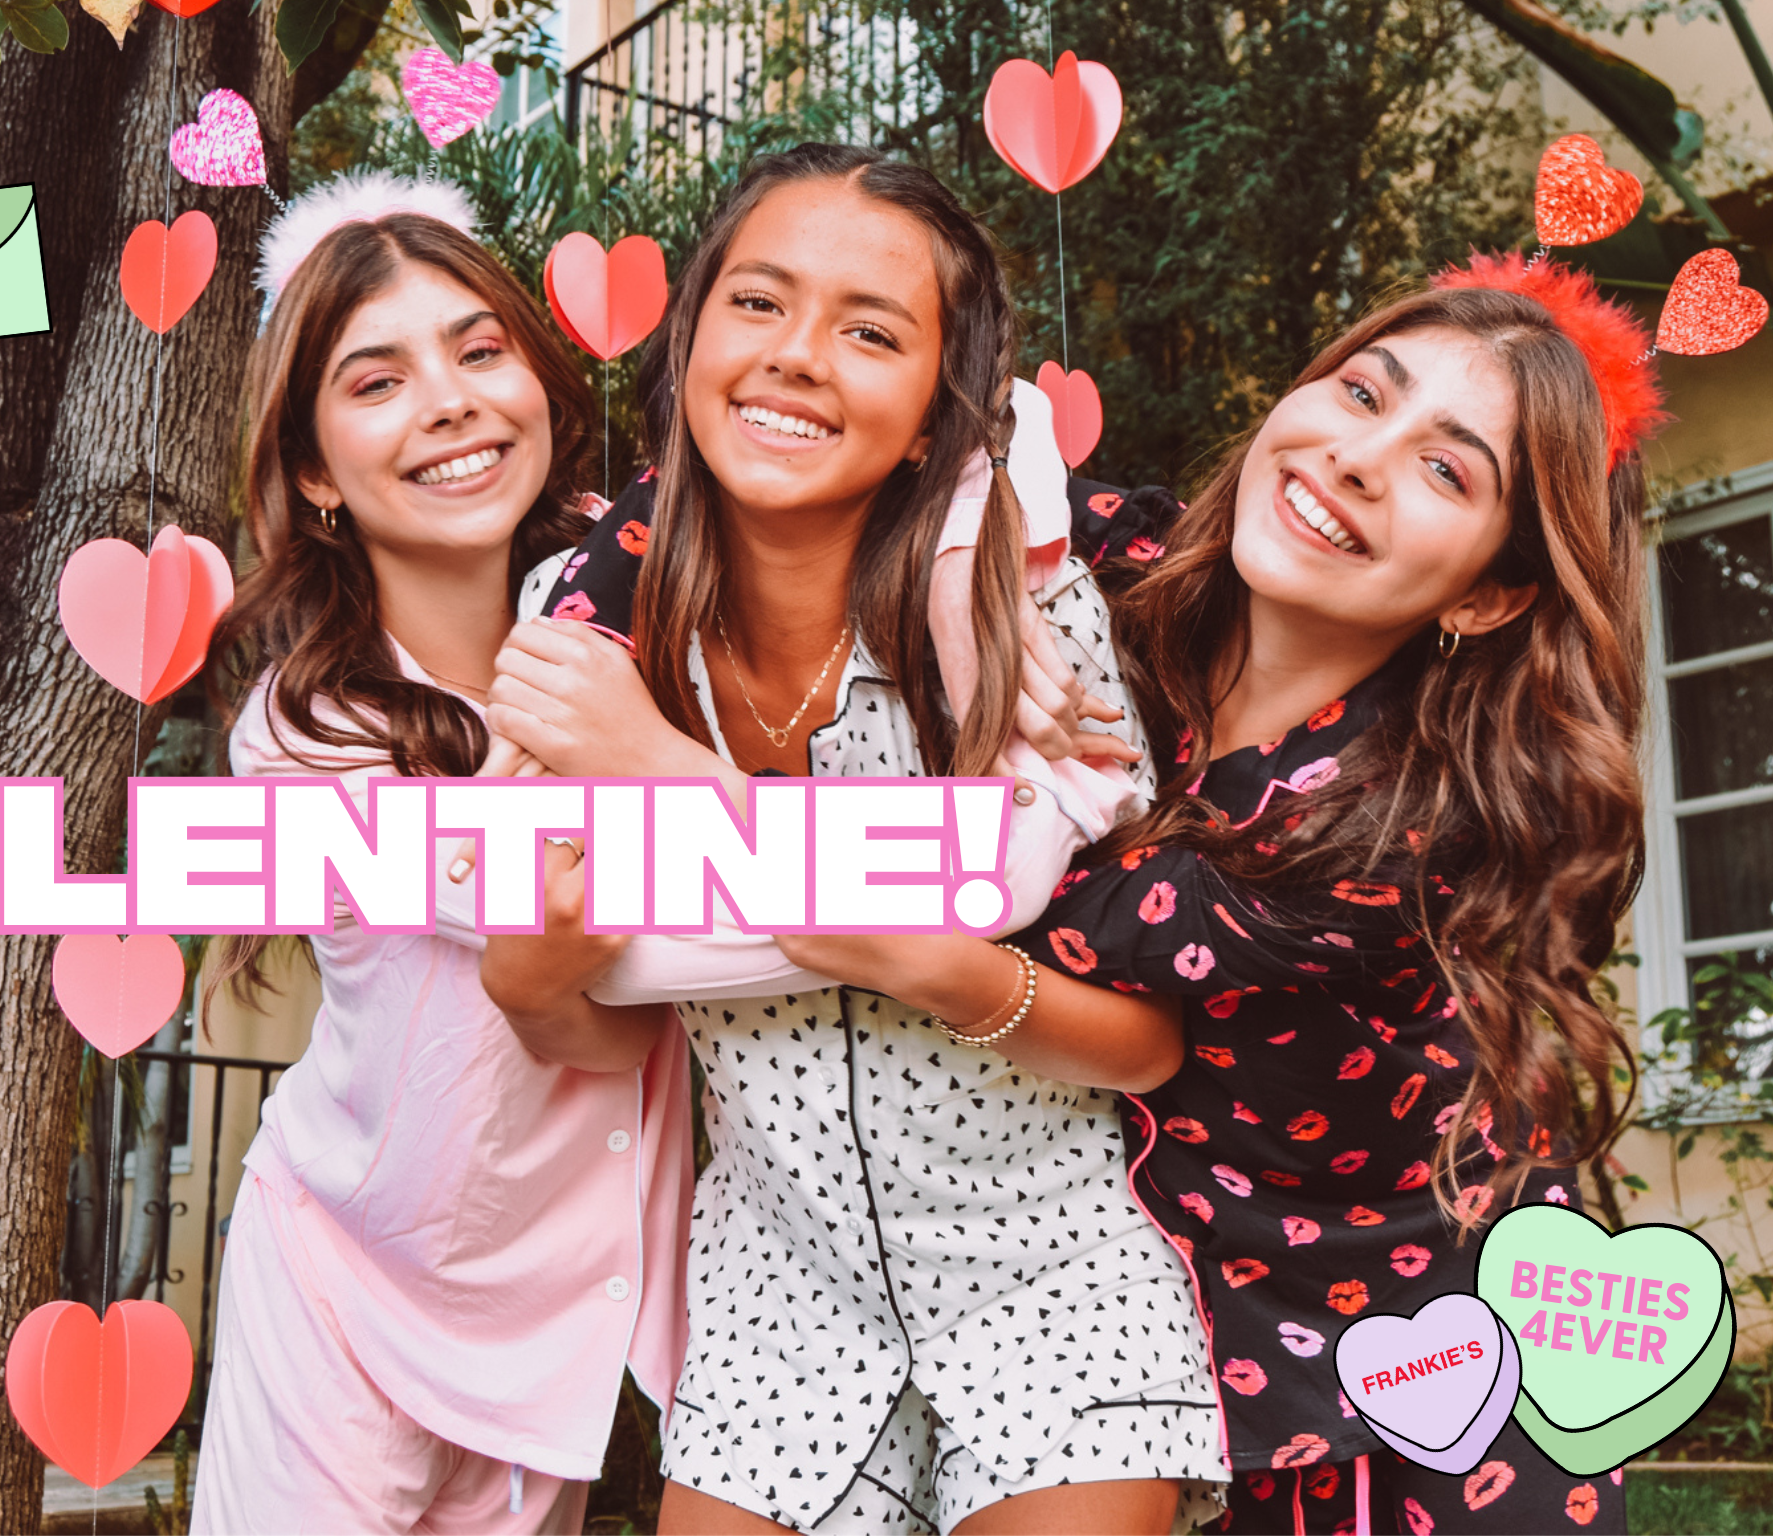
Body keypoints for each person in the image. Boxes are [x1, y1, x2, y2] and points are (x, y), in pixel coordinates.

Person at [779, 256, 1652, 1534]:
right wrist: (968, 600)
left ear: (1489, 592)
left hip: (1420, 1392)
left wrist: (926, 945)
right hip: (1142, 1348)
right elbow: (914, 455)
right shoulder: (1124, 570)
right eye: (1361, 393)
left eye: (1446, 468)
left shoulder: (1401, 835)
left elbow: (1037, 923)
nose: (1359, 456)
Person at [478, 143, 1224, 1535]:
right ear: (692, 328)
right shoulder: (582, 623)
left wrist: (667, 779)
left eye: (871, 330)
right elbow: (595, 1018)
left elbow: (1150, 1035)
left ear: (943, 412)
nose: (799, 358)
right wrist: (528, 980)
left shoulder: (1023, 617)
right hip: (776, 1285)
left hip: (1051, 1269)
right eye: (757, 303)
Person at [180, 171, 684, 1536]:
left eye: (479, 349)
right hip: (340, 1284)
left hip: (551, 1315)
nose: (451, 400)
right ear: (309, 469)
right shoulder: (305, 727)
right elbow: (604, 948)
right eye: (377, 380)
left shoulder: (653, 627)